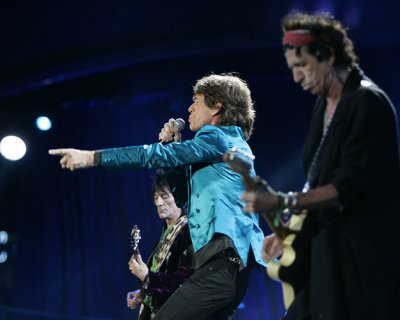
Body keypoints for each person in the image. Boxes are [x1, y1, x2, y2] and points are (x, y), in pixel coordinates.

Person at [49, 73, 266, 320]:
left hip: (219, 269)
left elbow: (149, 155)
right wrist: (170, 151)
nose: (190, 108)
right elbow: (185, 200)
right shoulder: (221, 146)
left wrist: (92, 158)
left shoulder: (218, 136)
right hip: (222, 271)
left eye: (197, 100)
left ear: (218, 105)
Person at [241, 11, 400, 320]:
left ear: (327, 55)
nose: (296, 77)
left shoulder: (367, 102)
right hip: (327, 256)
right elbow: (317, 184)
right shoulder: (323, 105)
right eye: (292, 68)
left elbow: (350, 187)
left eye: (302, 66)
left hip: (361, 261)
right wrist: (289, 233)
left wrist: (282, 200)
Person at [127, 169, 192, 320]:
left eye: (164, 196)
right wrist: (142, 294)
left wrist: (147, 278)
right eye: (155, 197)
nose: (158, 202)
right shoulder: (164, 237)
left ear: (180, 196)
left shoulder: (189, 232)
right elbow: (161, 282)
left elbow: (184, 284)